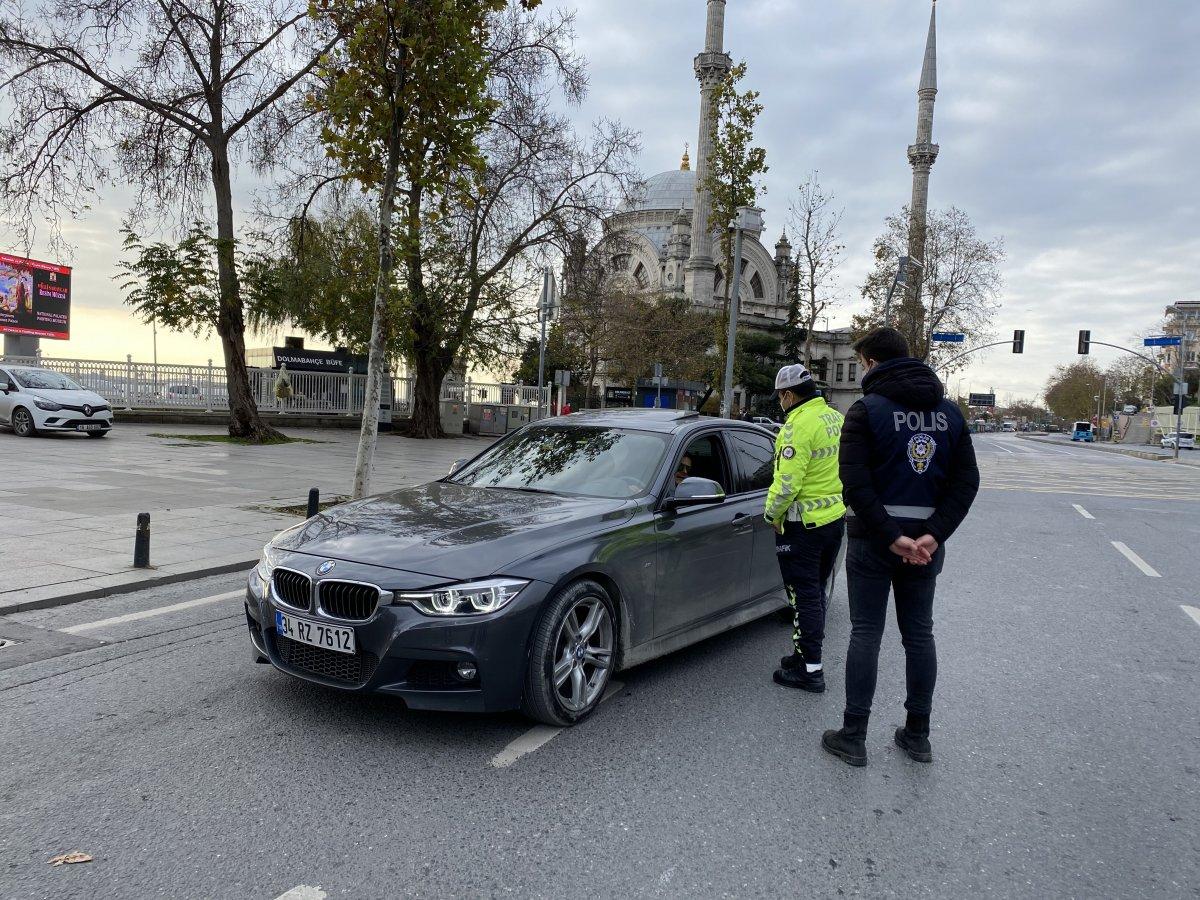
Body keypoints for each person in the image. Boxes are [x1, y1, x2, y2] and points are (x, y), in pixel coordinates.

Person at [821, 327, 979, 767]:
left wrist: (891, 535)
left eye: (861, 363)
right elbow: (966, 482)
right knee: (919, 634)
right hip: (925, 546)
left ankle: (854, 736)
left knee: (866, 633)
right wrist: (933, 533)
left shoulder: (865, 411)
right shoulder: (950, 414)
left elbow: (854, 483)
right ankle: (918, 735)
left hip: (874, 541)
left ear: (871, 363)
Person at [763, 364, 846, 692]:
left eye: (780, 397)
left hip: (803, 526)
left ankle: (811, 669)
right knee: (816, 591)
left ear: (788, 394)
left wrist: (771, 514)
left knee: (804, 597)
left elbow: (786, 483)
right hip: (833, 521)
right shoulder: (835, 419)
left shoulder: (796, 427)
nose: (780, 402)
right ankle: (802, 656)